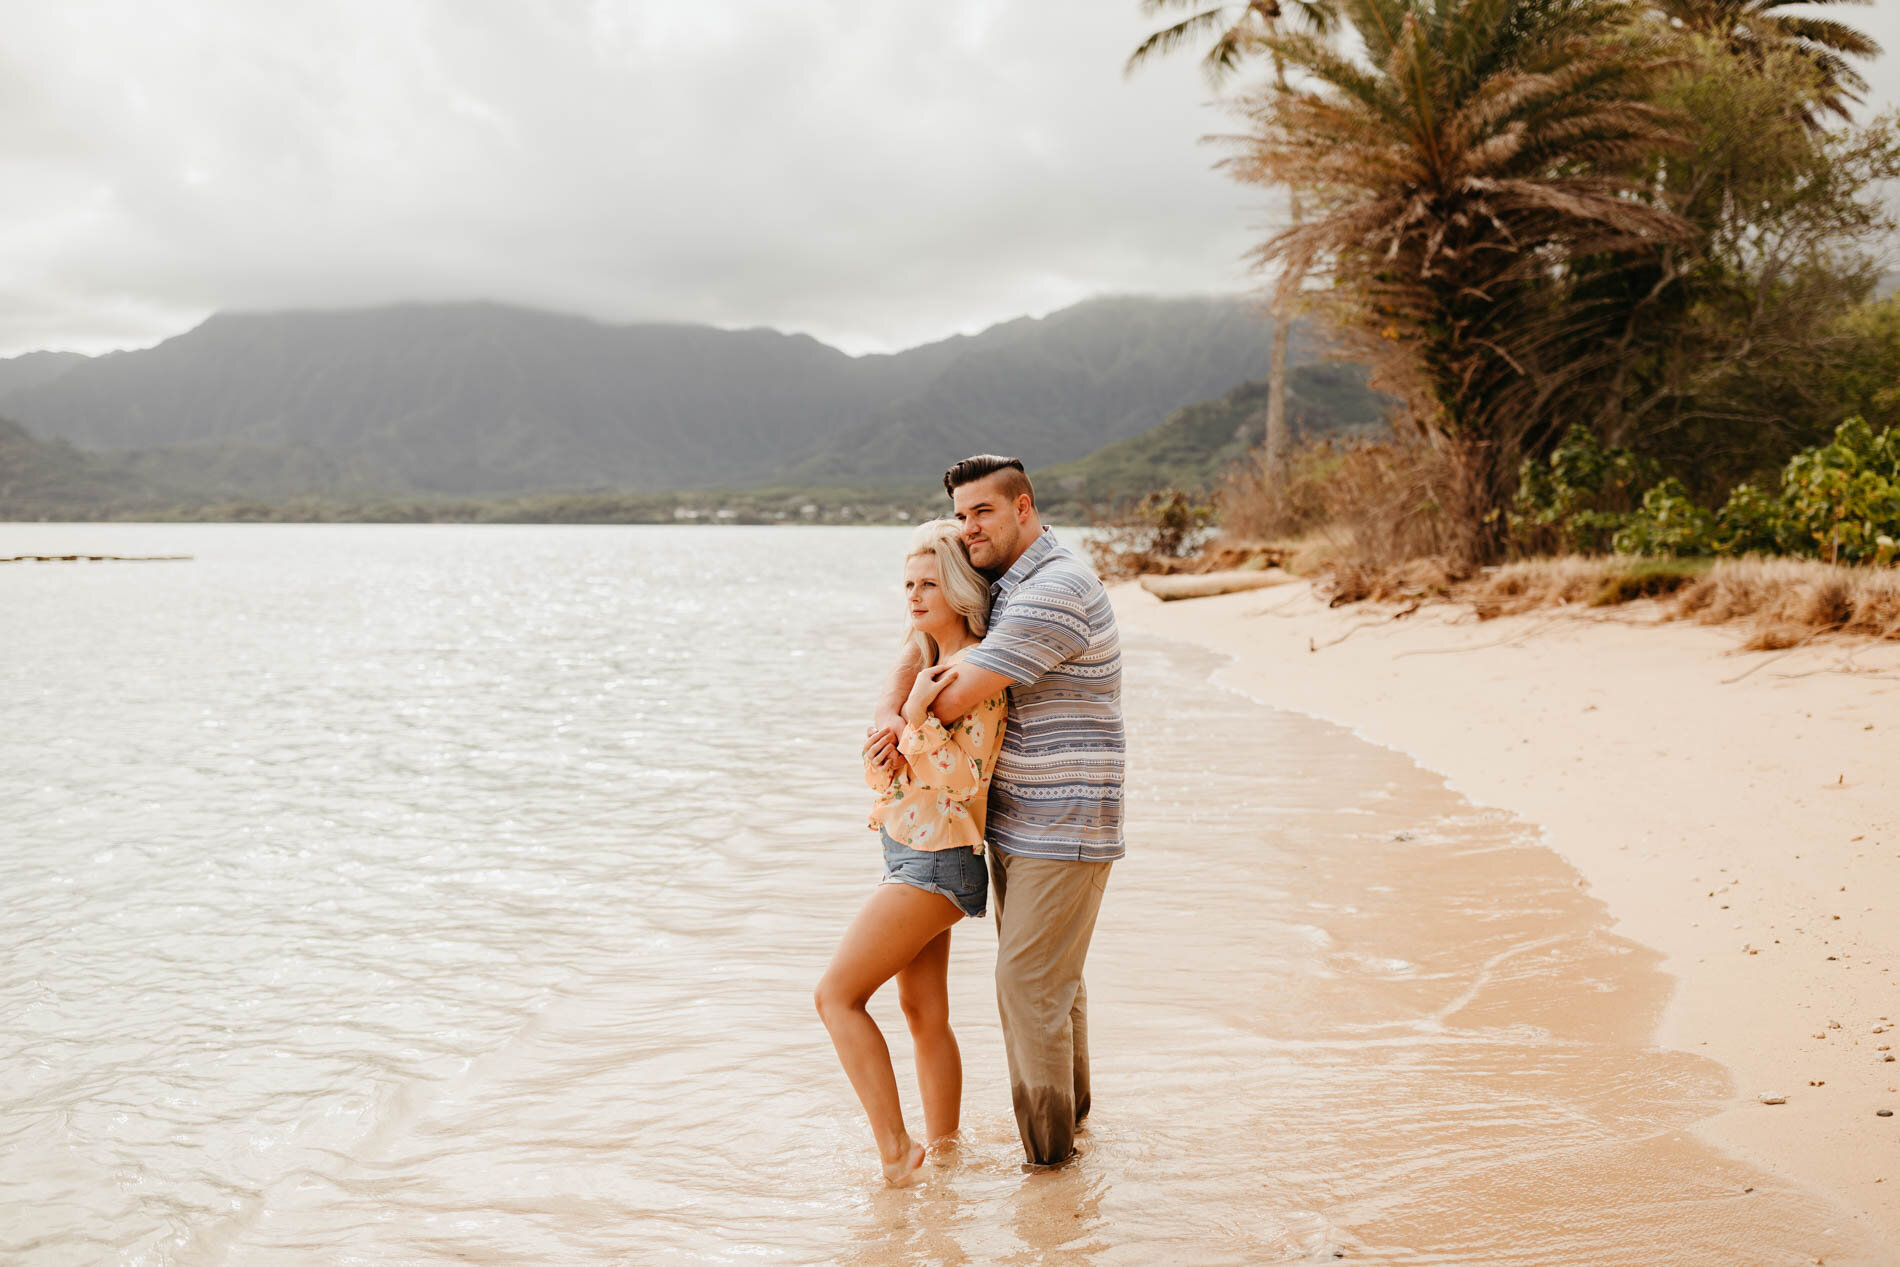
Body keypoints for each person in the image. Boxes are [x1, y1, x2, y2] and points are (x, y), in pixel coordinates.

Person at [865, 454, 1125, 1168]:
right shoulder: (1005, 587)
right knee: (1054, 987)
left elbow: (954, 694)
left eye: (983, 511)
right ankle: (1071, 1146)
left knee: (1026, 983)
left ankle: (1047, 1173)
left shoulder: (1055, 587)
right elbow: (922, 639)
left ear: (1023, 506)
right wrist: (896, 700)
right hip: (1017, 820)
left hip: (1064, 820)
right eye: (960, 515)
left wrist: (908, 706)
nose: (969, 526)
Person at [814, 518, 1008, 1186]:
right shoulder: (923, 664)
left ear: (958, 589)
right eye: (907, 583)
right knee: (925, 1014)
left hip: (937, 859)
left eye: (929, 582)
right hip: (906, 852)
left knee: (836, 996)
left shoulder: (974, 670)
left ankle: (899, 1156)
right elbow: (890, 776)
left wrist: (921, 717)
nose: (915, 594)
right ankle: (945, 1153)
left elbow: (963, 779)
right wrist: (880, 753)